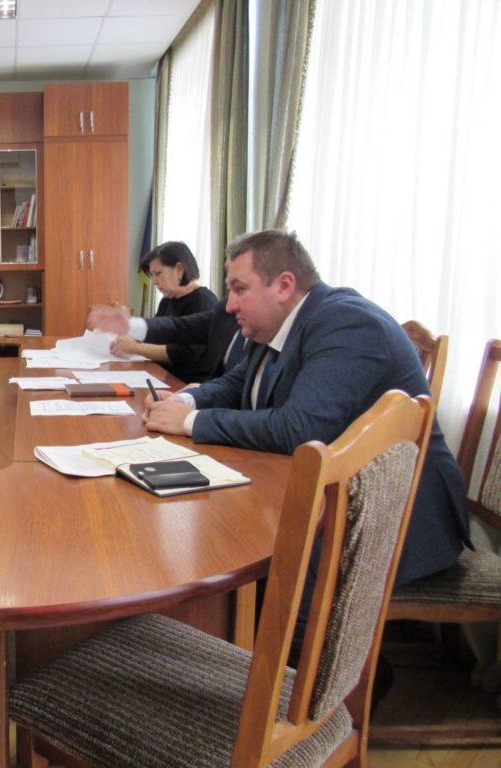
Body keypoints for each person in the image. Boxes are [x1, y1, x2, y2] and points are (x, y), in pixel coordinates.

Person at [143, 229, 470, 591]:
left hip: (393, 523)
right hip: (327, 493)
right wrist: (186, 401)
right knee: (218, 529)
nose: (230, 305)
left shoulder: (346, 324)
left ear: (284, 286)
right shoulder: (277, 322)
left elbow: (300, 428)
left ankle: (260, 629)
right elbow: (239, 381)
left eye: (239, 289)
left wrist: (191, 421)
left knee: (238, 550)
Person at [107, 242, 219, 381]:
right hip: (162, 375)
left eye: (158, 274)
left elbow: (187, 354)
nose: (154, 282)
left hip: (186, 382)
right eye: (152, 275)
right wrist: (131, 339)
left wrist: (136, 348)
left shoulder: (204, 301)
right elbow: (158, 336)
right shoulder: (168, 299)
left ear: (179, 269)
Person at [88, 296, 245, 384]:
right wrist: (128, 325)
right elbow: (179, 327)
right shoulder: (226, 309)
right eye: (229, 288)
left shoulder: (204, 300)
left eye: (240, 288)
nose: (230, 305)